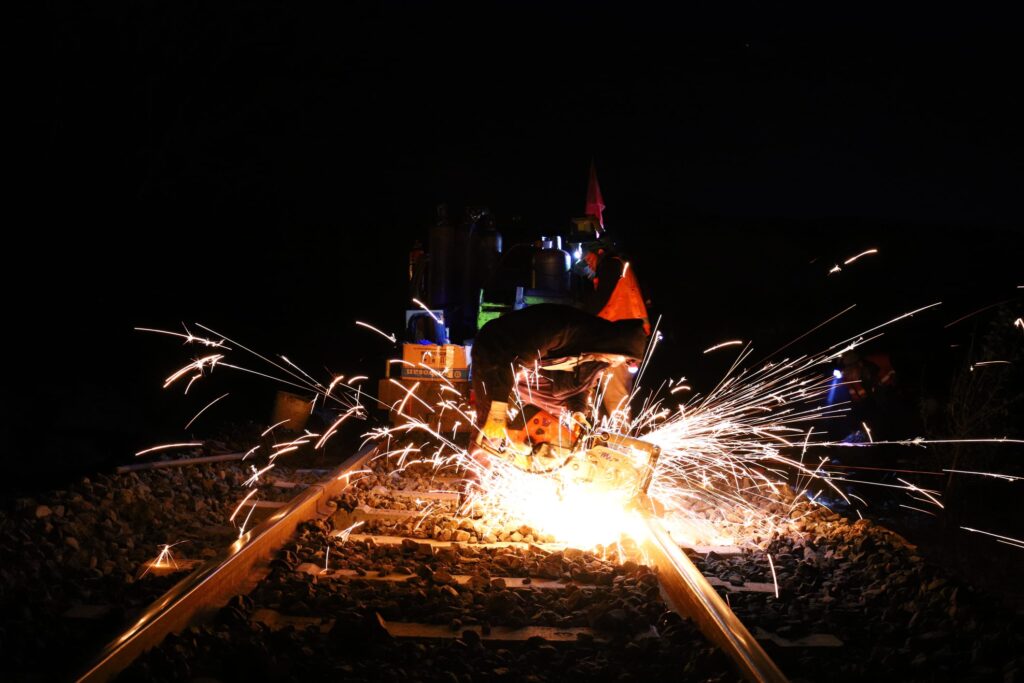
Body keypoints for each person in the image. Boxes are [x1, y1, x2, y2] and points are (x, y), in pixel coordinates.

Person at [472, 304, 648, 457]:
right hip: (497, 350)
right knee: (491, 424)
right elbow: (509, 361)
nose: (617, 363)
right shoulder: (564, 328)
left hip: (534, 370)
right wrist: (498, 408)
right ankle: (477, 486)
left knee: (554, 432)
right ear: (614, 344)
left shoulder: (601, 357)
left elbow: (581, 388)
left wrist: (577, 413)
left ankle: (543, 467)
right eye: (620, 358)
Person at [578, 241, 651, 415]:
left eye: (588, 257)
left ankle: (621, 440)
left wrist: (575, 316)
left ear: (600, 251)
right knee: (602, 393)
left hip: (620, 340)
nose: (587, 263)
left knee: (615, 396)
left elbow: (598, 303)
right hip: (620, 339)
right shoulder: (615, 267)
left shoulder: (612, 265)